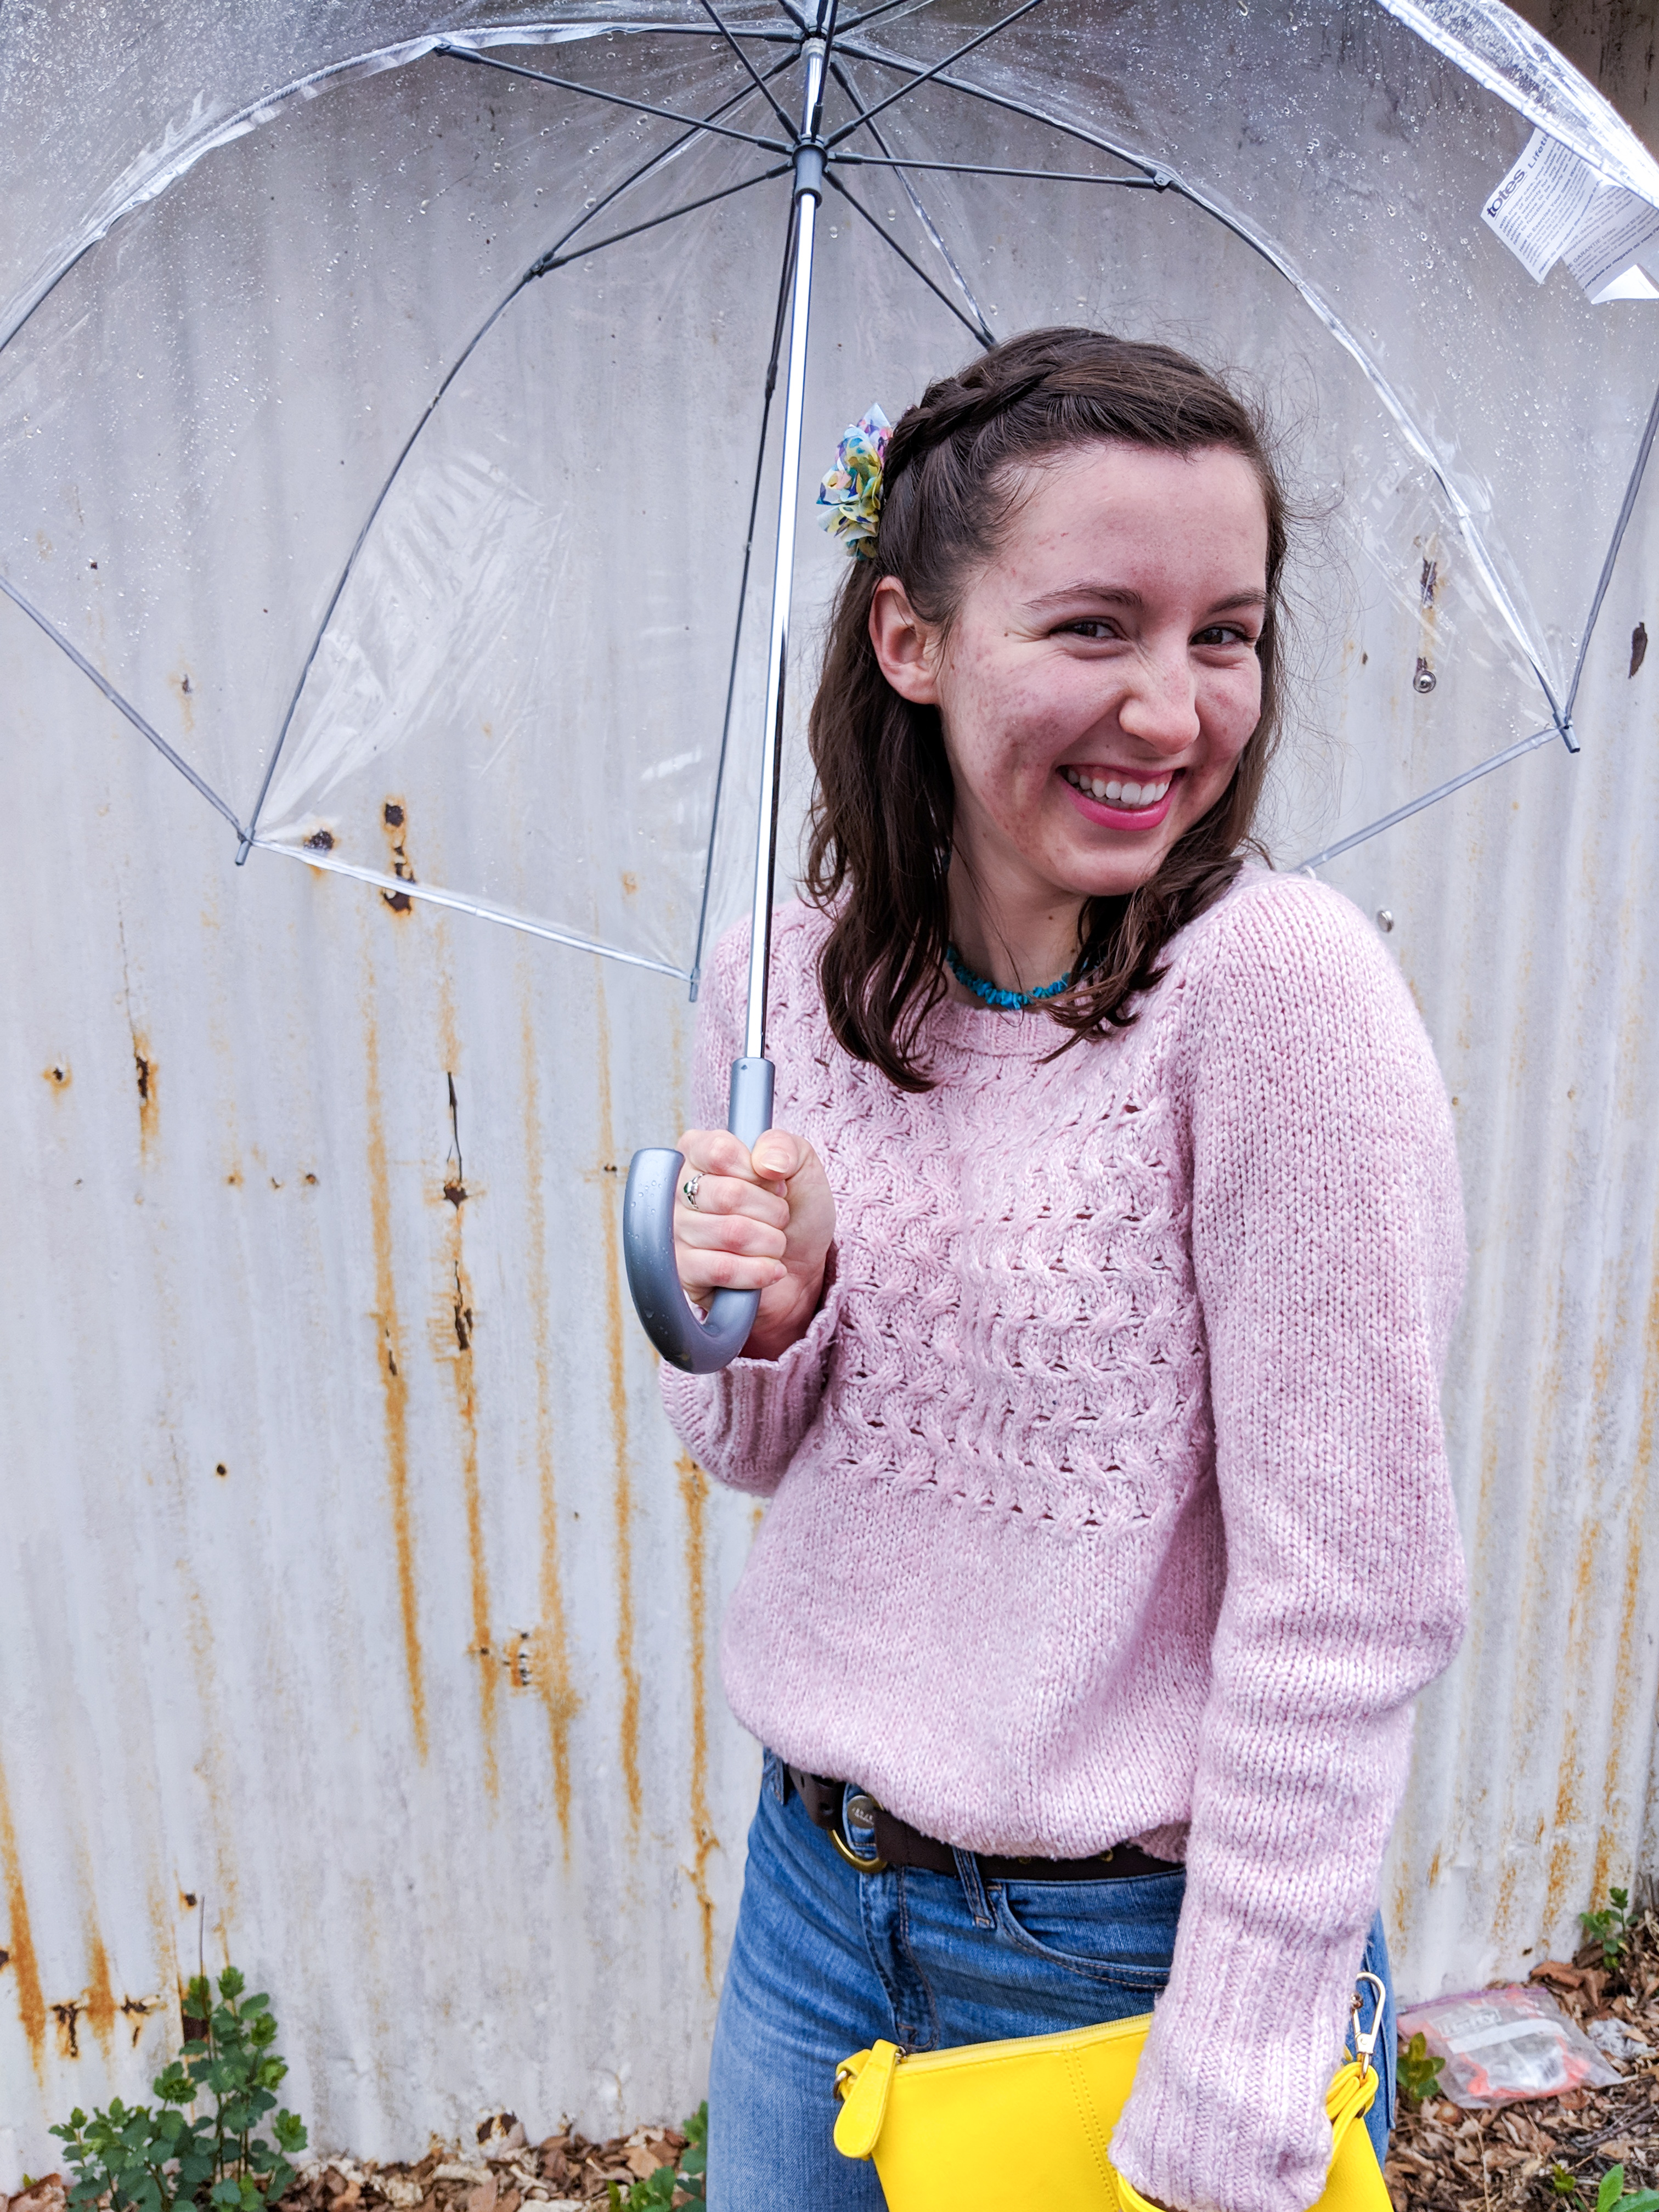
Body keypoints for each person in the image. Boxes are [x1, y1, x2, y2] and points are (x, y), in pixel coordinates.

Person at [659, 328, 1467, 2212]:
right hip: (816, 1898)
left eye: (1226, 634)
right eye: (1097, 626)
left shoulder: (1276, 1000)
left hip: (1119, 1960)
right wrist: (762, 1315)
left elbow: (1348, 1597)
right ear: (910, 641)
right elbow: (755, 1451)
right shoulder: (778, 984)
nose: (1177, 714)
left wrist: (1244, 2065)